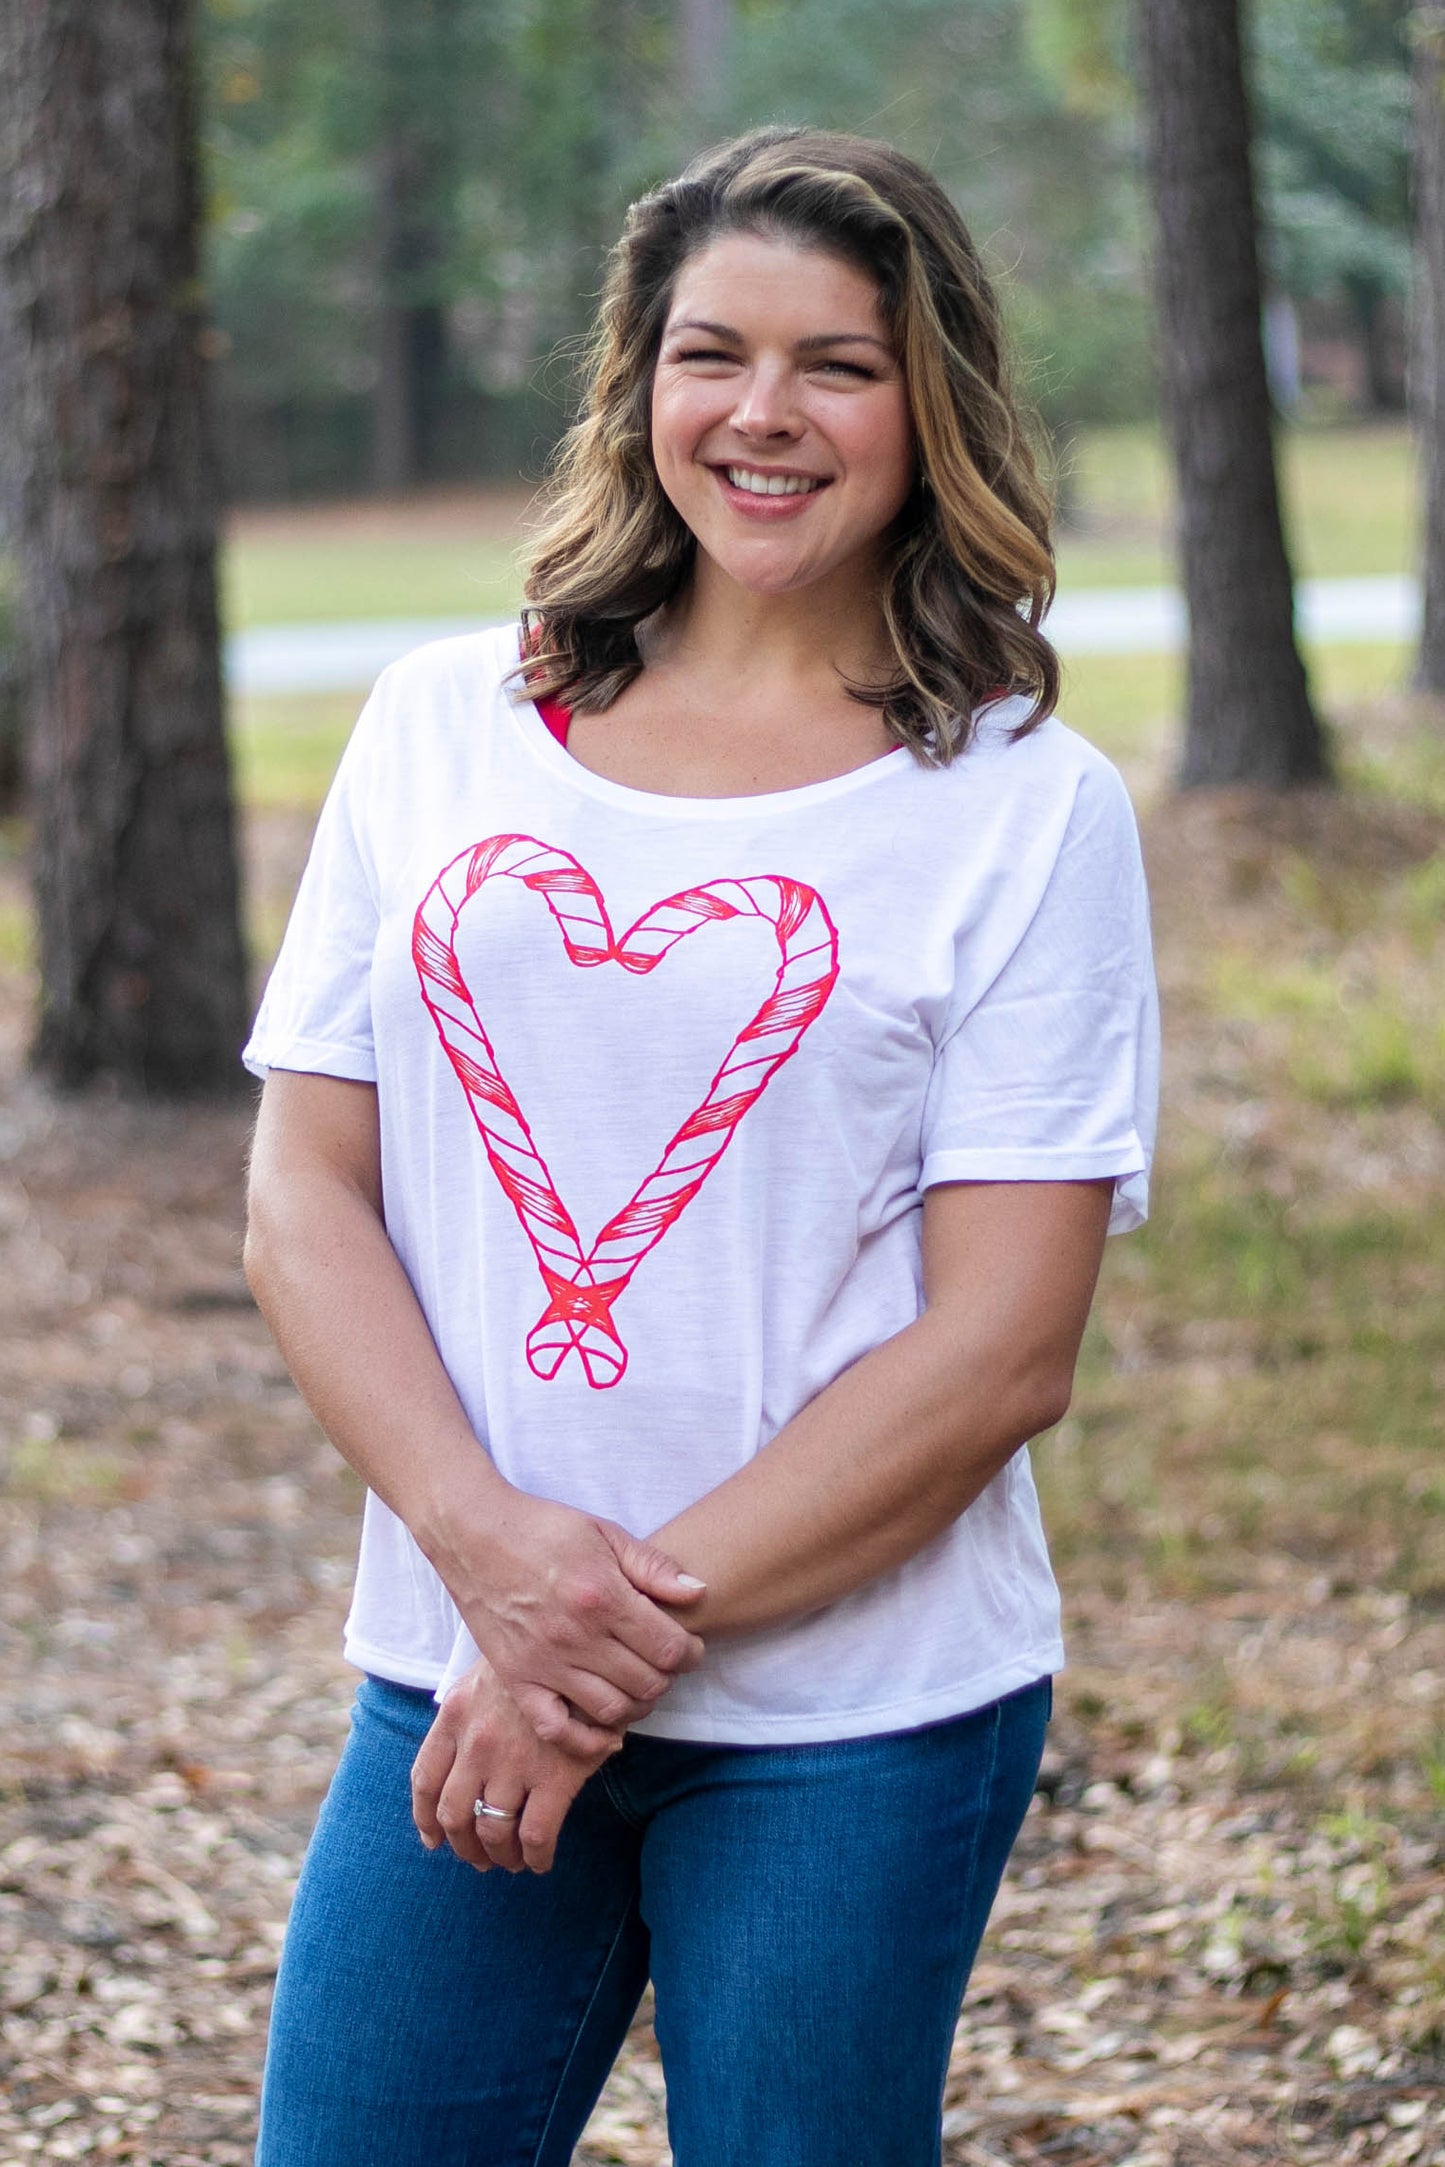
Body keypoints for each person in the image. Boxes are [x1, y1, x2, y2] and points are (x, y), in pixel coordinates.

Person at [242, 125, 1159, 2167]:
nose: (764, 412)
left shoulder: (1024, 804)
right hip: (454, 1662)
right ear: (636, 382)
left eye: (839, 362)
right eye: (711, 352)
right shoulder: (437, 725)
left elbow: (1005, 1347)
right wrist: (494, 1565)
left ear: (933, 407)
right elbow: (305, 1192)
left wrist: (588, 1638)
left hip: (852, 1718)